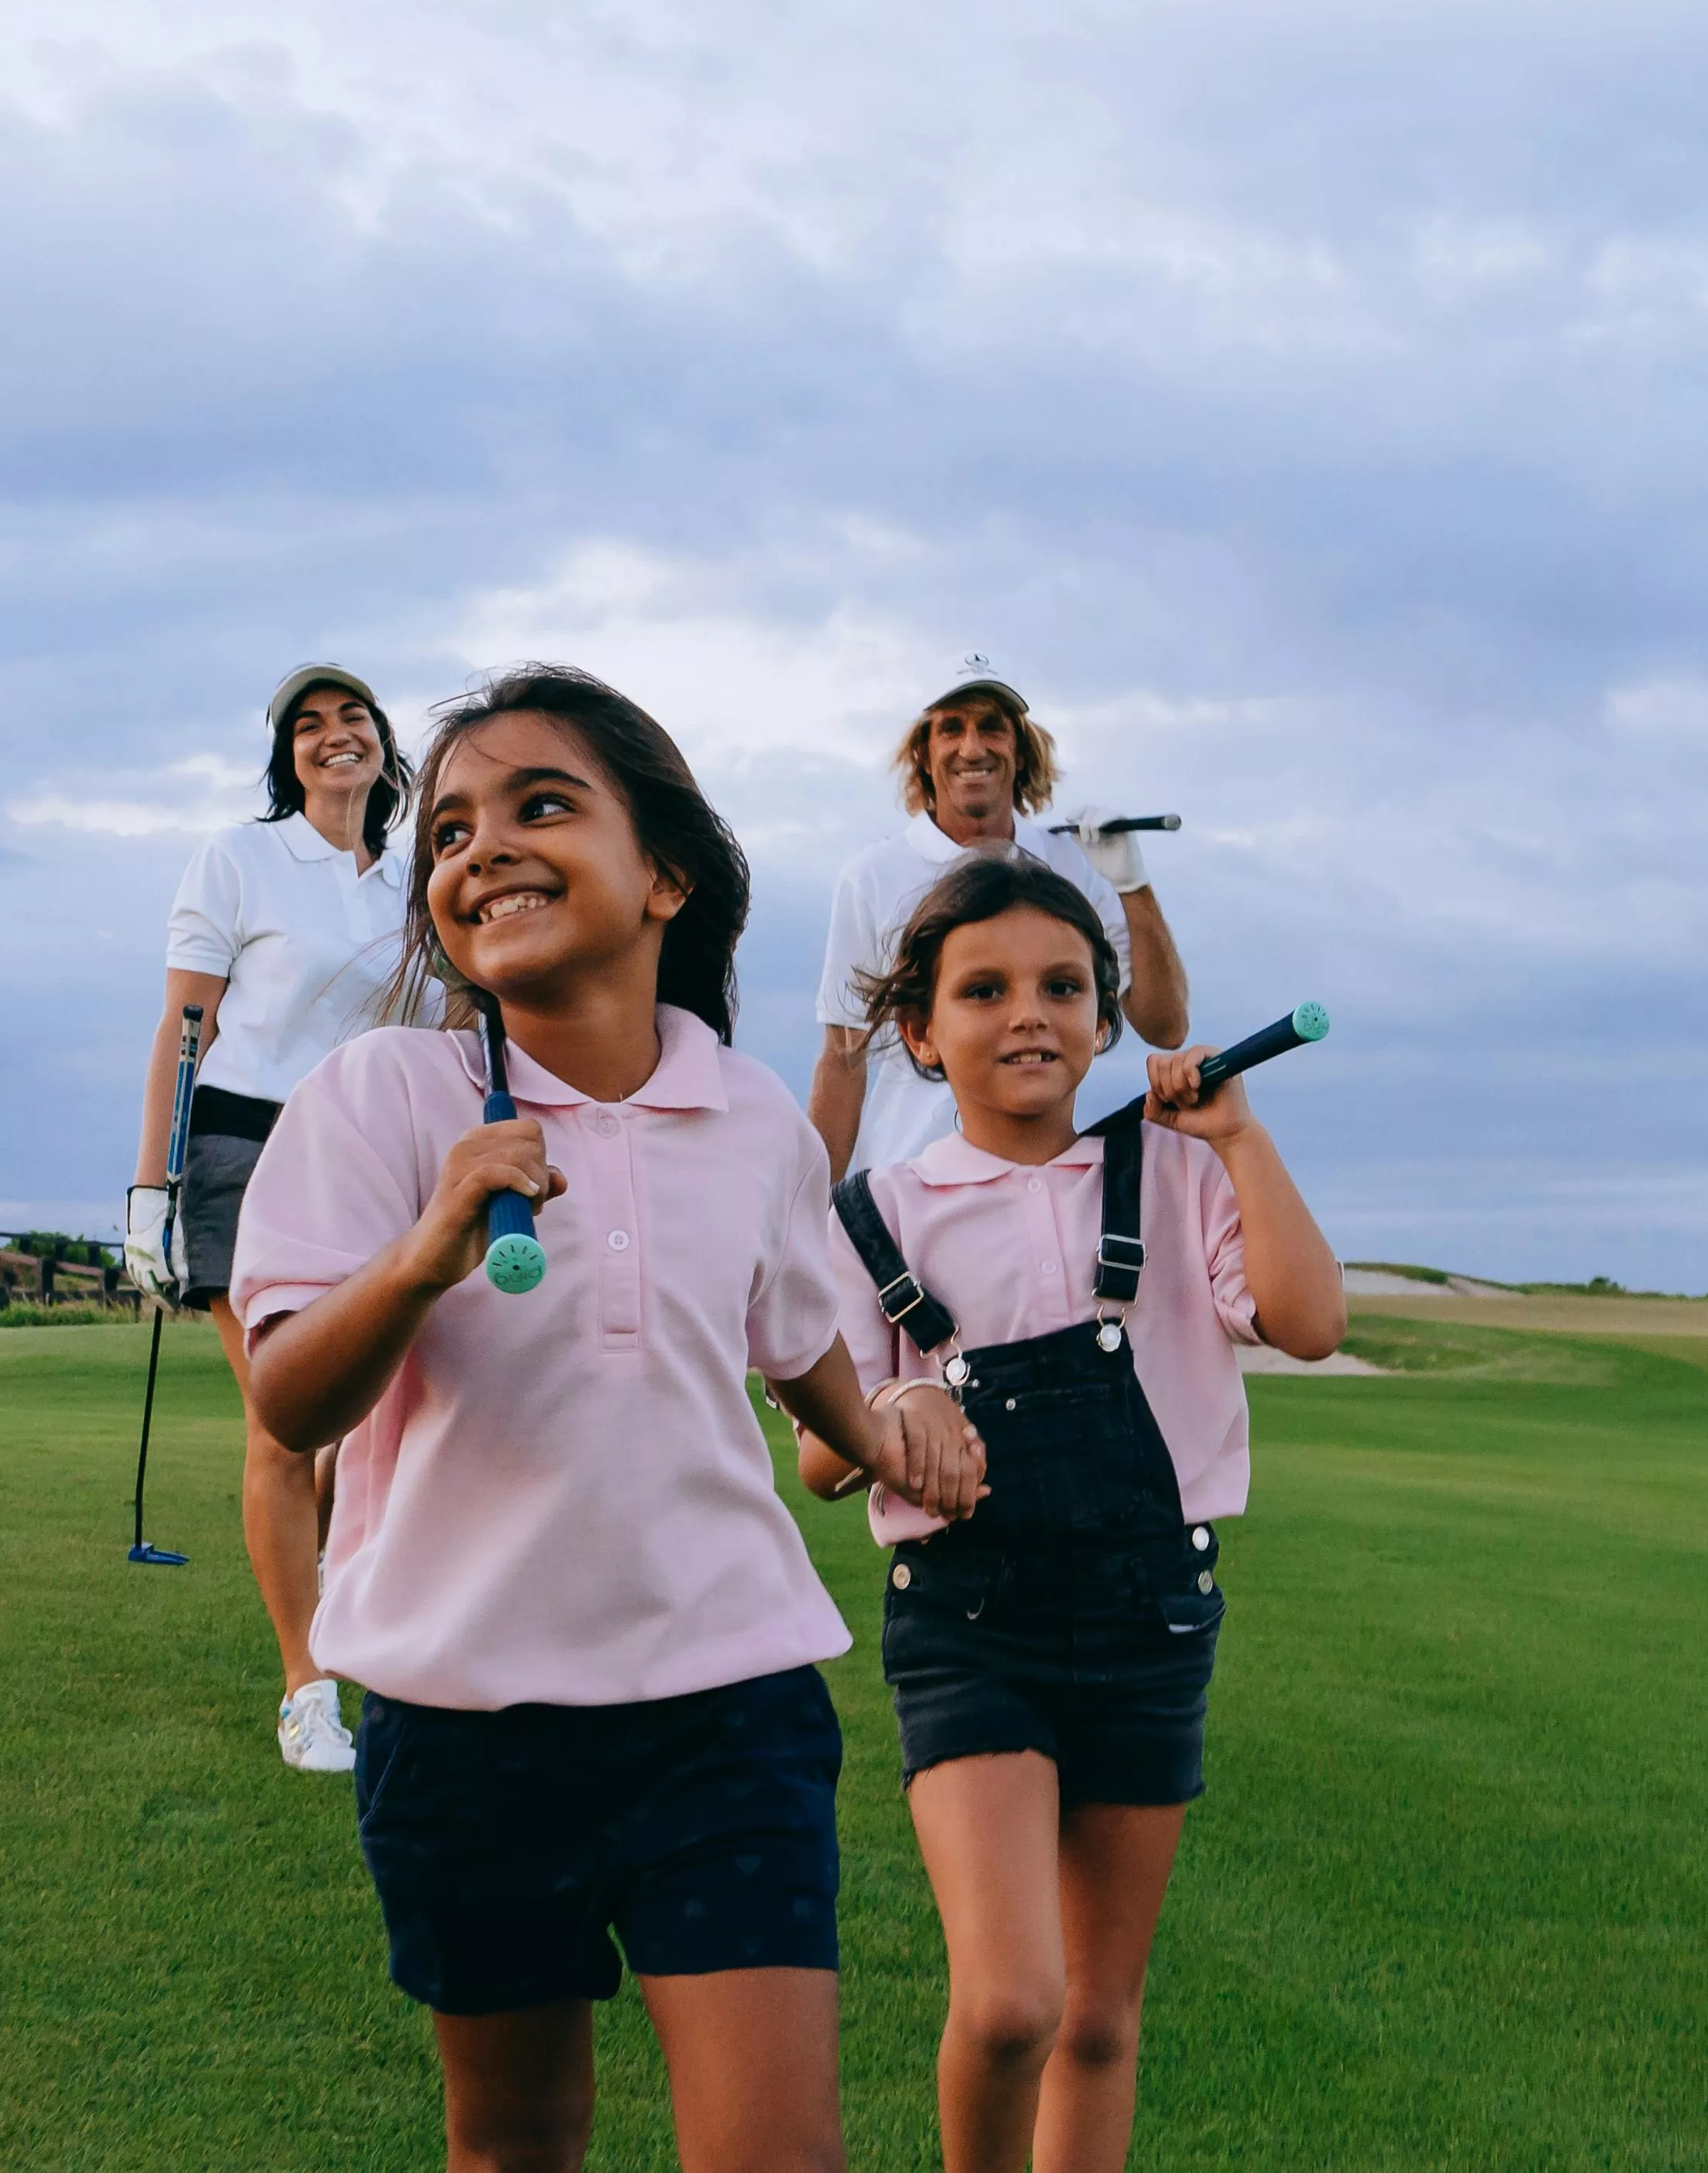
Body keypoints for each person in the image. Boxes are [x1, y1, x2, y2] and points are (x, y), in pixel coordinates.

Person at [230, 664, 979, 2173]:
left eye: (541, 805)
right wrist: (426, 1248)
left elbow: (794, 1345)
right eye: (444, 830)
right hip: (461, 1727)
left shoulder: (754, 1114)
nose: (478, 848)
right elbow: (290, 1389)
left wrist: (884, 1405)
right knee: (517, 2145)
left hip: (726, 1709)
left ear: (667, 877)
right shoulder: (381, 1095)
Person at [793, 852, 1345, 2173]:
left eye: (1061, 984)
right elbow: (823, 1457)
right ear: (918, 1033)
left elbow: (1310, 1322)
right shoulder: (875, 1212)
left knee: (1096, 2015)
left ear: (1106, 1017)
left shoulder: (1174, 1168)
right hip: (968, 1627)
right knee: (1007, 2002)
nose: (1027, 1012)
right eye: (981, 989)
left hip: (1150, 1617)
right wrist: (900, 1417)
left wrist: (1238, 1138)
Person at [126, 661, 415, 1777]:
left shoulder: (410, 881)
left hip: (366, 1152)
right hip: (242, 1146)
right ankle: (306, 1684)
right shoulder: (239, 857)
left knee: (369, 1418)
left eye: (351, 719)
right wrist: (150, 1188)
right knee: (287, 1422)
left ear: (382, 743)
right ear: (286, 754)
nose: (333, 736)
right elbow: (181, 1025)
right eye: (309, 725)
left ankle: (344, 1591)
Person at [810, 656, 1190, 1179]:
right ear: (924, 752)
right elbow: (843, 1058)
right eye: (951, 728)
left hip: (1037, 1180)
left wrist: (1132, 885)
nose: (972, 747)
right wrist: (811, 1215)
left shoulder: (1075, 863)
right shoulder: (870, 876)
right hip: (904, 1182)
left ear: (1018, 748)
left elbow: (1166, 1027)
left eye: (992, 727)